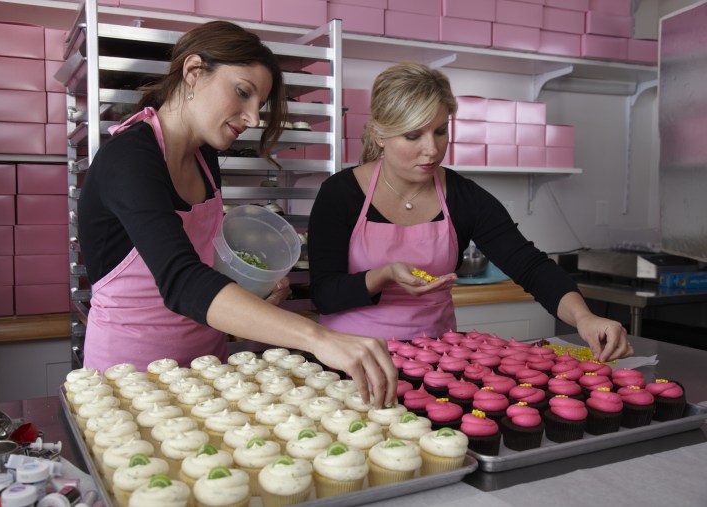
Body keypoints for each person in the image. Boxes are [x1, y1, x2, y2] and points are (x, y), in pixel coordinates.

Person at [77, 21, 396, 406]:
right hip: (129, 380)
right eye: (242, 93)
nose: (253, 119)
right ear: (193, 72)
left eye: (258, 105)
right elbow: (180, 280)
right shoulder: (128, 159)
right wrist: (318, 337)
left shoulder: (204, 157)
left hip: (207, 370)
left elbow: (197, 262)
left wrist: (250, 300)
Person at [308, 62, 633, 363]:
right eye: (413, 135)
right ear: (380, 134)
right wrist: (384, 275)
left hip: (436, 361)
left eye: (440, 130)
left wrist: (584, 317)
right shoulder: (341, 194)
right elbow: (324, 295)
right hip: (350, 358)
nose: (432, 149)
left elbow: (531, 267)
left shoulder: (464, 197)